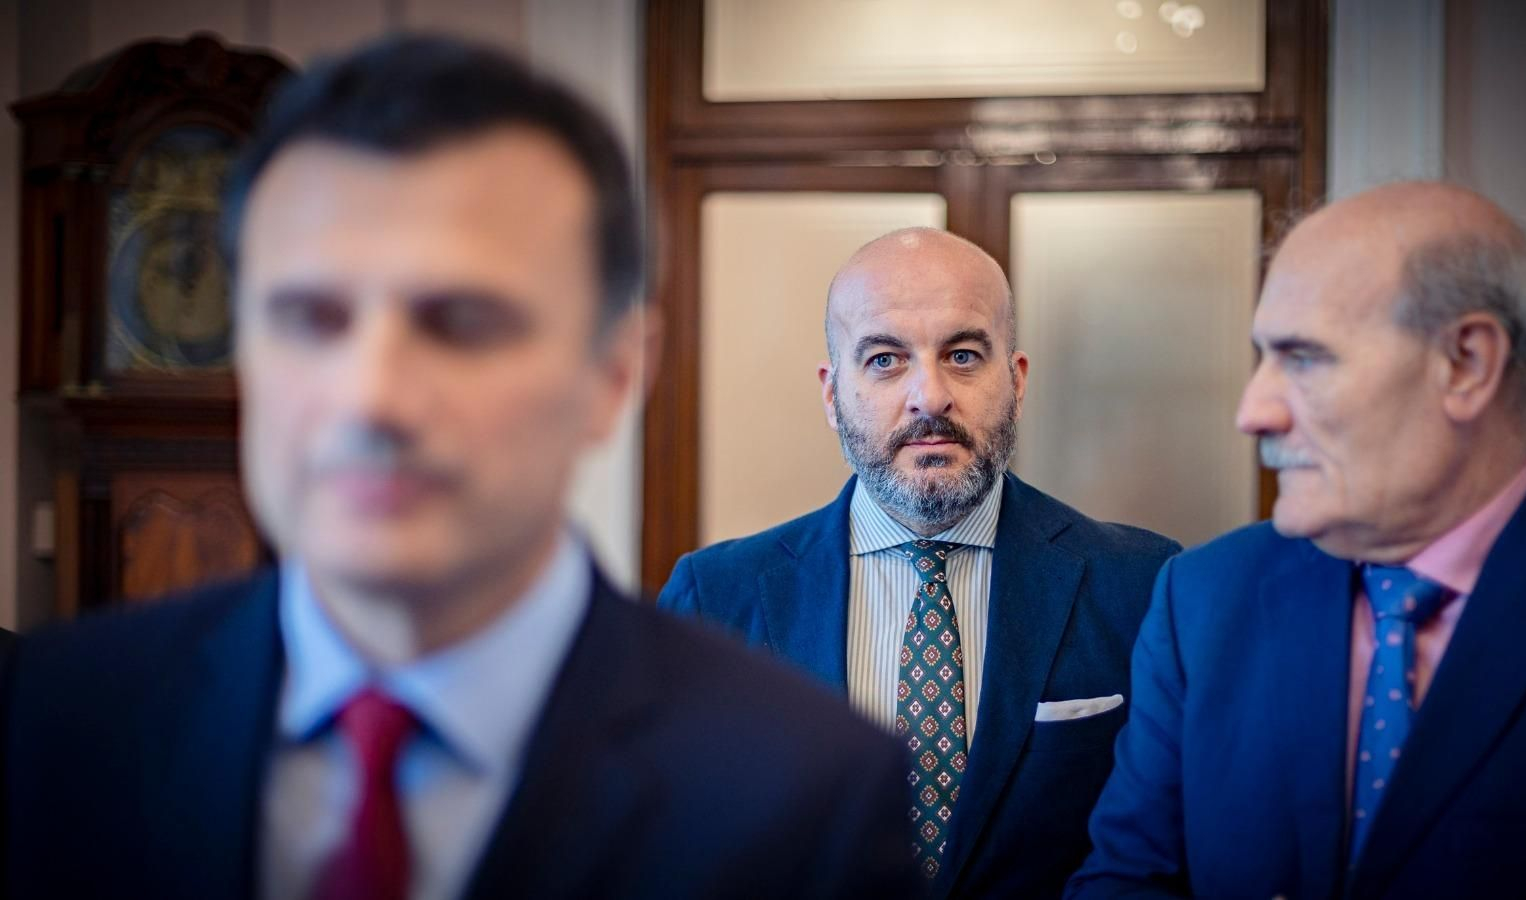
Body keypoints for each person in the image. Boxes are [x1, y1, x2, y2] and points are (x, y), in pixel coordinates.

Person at [4, 34, 915, 900]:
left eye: (463, 324)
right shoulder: (58, 720)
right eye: (311, 318)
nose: (373, 398)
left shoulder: (803, 795)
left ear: (614, 374)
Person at [1067, 182, 1526, 898]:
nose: (1253, 412)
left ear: (1467, 363)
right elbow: (1124, 881)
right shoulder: (1205, 597)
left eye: (1305, 358)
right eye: (1263, 358)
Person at [659, 228, 1180, 898]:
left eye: (963, 355)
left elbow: (1168, 859)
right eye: (885, 360)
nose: (930, 397)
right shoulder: (713, 600)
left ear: (1017, 381)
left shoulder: (1144, 587)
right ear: (832, 394)